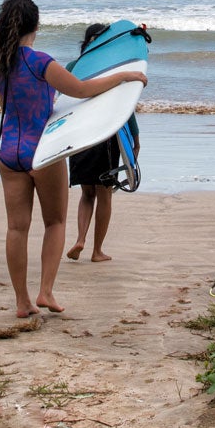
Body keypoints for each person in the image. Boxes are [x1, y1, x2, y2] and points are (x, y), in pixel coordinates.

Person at [0, 0, 146, 319]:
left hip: (9, 153)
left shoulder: (1, 66)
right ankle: (45, 291)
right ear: (35, 25)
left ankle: (22, 302)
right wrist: (123, 77)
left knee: (16, 228)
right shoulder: (41, 62)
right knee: (55, 221)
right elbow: (81, 89)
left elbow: (9, 106)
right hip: (42, 152)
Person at [67, 23, 129, 262]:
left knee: (86, 193)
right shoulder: (111, 69)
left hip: (80, 136)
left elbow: (62, 104)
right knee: (105, 194)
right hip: (105, 136)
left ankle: (80, 239)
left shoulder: (73, 67)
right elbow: (125, 107)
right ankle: (97, 251)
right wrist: (134, 138)